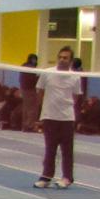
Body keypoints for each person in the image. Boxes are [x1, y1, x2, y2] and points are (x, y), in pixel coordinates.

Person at [35, 45, 80, 189]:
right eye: (60, 57)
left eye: (65, 58)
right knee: (50, 149)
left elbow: (76, 96)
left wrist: (66, 106)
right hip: (49, 117)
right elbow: (40, 91)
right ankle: (46, 176)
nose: (62, 60)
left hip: (67, 118)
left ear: (71, 60)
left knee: (67, 150)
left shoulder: (75, 77)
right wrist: (46, 108)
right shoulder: (47, 73)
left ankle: (67, 177)